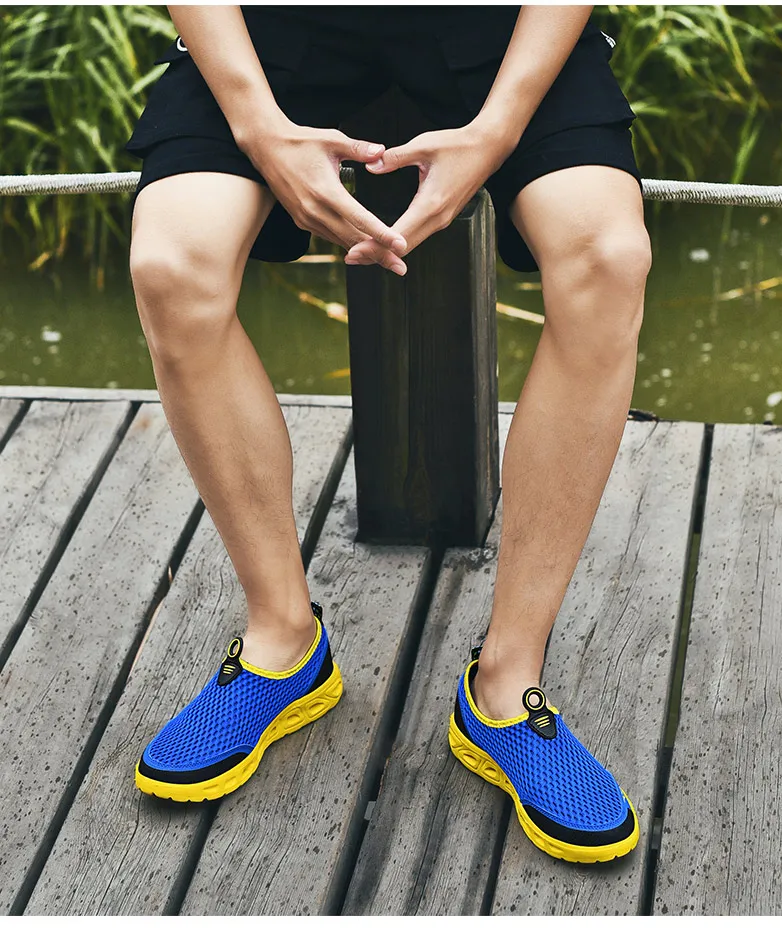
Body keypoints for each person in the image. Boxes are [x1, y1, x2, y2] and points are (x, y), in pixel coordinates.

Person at [126, 5, 649, 864]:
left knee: (607, 258)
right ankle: (282, 639)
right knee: (170, 265)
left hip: (499, 28)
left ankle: (507, 682)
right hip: (276, 29)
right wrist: (259, 130)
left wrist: (498, 130)